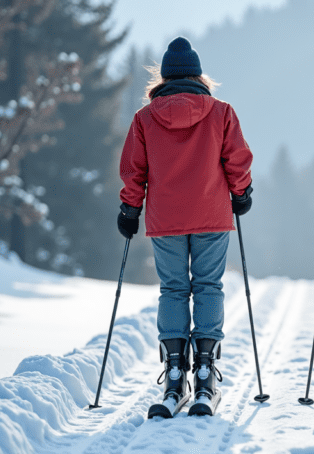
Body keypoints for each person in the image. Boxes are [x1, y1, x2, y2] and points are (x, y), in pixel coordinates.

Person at [117, 36, 253, 418]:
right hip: (211, 214)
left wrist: (130, 208)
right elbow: (237, 160)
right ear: (197, 74)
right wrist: (241, 194)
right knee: (208, 286)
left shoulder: (145, 118)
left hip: (166, 218)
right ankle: (206, 375)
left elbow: (134, 170)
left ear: (163, 77)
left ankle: (175, 376)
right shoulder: (221, 111)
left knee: (174, 289)